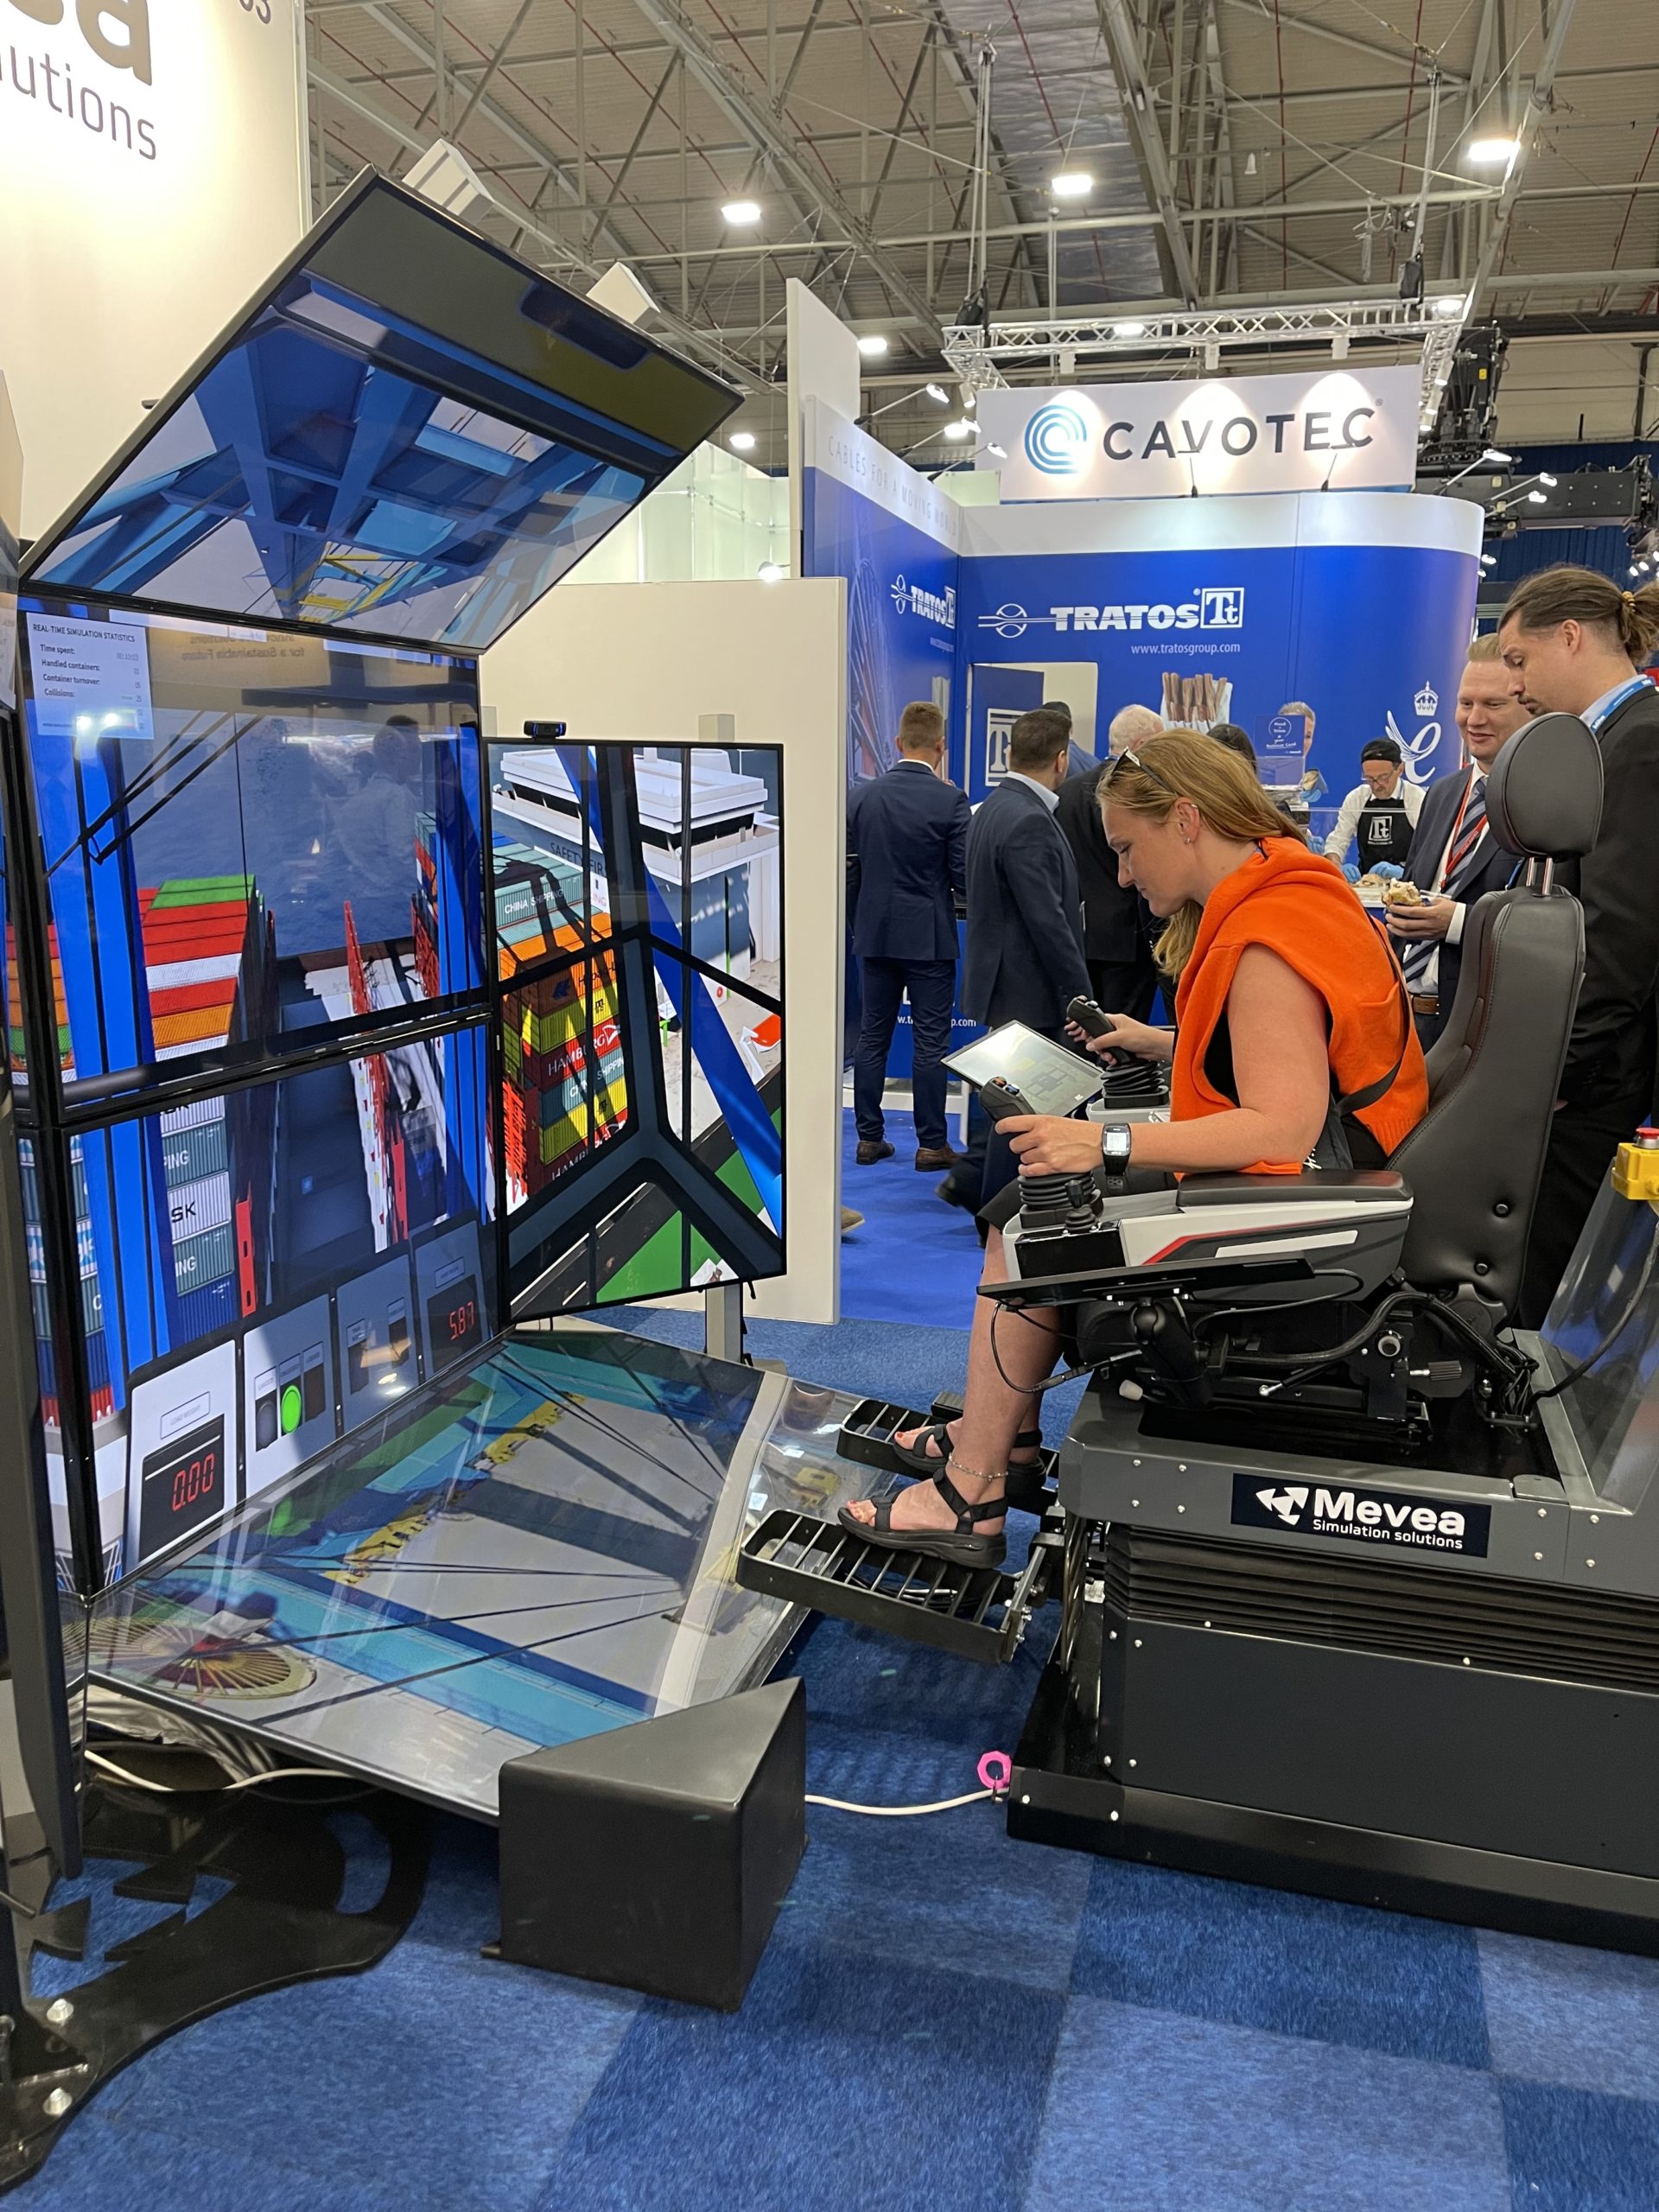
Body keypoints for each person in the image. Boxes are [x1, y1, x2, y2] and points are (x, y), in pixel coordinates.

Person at [842, 729, 1427, 1563]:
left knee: (1029, 1222)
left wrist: (1102, 1143)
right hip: (1333, 1169)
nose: (1121, 874)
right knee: (1018, 1211)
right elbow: (1275, 1061)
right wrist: (1160, 1046)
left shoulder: (1266, 936)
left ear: (1185, 820)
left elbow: (1281, 1127)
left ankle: (971, 1493)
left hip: (1320, 1194)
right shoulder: (1283, 896)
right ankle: (993, 1437)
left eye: (1126, 847)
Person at [1497, 568, 1659, 1324]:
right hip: (1596, 1075)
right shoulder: (1610, 741)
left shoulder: (1638, 743)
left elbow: (1618, 941)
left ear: (1570, 636)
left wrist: (1553, 1074)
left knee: (1554, 1297)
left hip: (1603, 1087)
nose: (1514, 686)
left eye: (1518, 660)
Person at [937, 708, 1092, 1215]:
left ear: (1011, 752)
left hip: (1002, 981)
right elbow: (1050, 924)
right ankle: (1000, 1211)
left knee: (1008, 1104)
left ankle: (981, 1192)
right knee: (1025, 1111)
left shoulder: (995, 808)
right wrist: (1080, 999)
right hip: (1031, 987)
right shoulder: (1028, 819)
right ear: (1062, 758)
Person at [1387, 634, 1532, 1047]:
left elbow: (1546, 937)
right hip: (1404, 1023)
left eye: (1493, 705)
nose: (1474, 719)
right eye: (1466, 703)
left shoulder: (1544, 806)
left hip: (1482, 1035)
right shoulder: (1442, 793)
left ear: (1528, 705)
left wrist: (1457, 923)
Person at [846, 701, 971, 1172]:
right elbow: (962, 877)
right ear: (941, 747)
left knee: (873, 1035)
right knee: (930, 1042)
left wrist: (864, 922)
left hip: (874, 936)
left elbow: (850, 873)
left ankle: (868, 1138)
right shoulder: (950, 801)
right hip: (930, 938)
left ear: (898, 744)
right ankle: (931, 1144)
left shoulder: (861, 798)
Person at [1054, 702, 1162, 1020]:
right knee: (1124, 1043)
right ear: (1141, 745)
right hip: (1132, 938)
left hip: (1081, 936)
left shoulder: (1067, 791)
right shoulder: (1140, 794)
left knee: (1084, 1038)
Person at [1322, 736, 1425, 868]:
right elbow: (1337, 841)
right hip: (1366, 881)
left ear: (1400, 769)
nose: (1376, 786)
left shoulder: (1416, 798)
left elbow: (1429, 847)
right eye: (1369, 779)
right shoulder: (1357, 798)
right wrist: (1336, 865)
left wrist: (1405, 871)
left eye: (1383, 777)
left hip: (1406, 881)